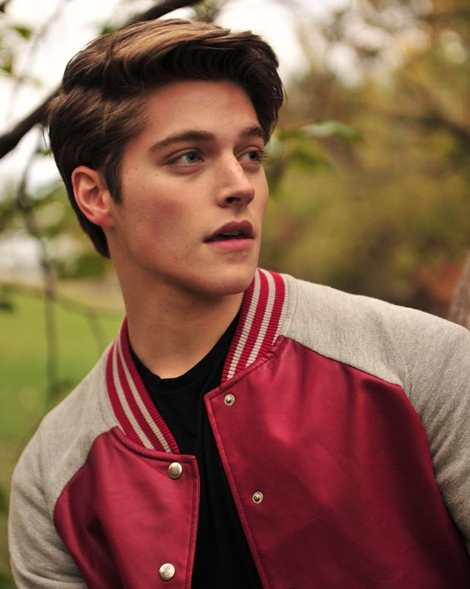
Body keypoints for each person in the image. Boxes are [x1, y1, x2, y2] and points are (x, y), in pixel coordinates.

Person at [8, 17, 470, 589]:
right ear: (96, 194)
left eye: (250, 154)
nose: (240, 185)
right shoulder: (53, 480)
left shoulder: (426, 366)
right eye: (188, 157)